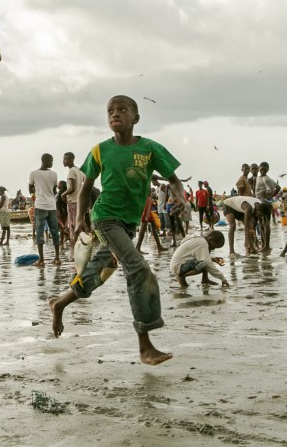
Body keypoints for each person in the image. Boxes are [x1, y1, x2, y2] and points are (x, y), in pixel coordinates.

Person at [48, 95, 188, 365]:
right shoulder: (100, 150)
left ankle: (59, 303)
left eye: (122, 110)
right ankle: (145, 346)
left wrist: (181, 198)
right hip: (105, 217)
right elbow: (87, 187)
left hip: (128, 222)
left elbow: (173, 180)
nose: (115, 114)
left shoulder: (150, 148)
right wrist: (79, 220)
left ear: (135, 118)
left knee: (98, 272)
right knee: (138, 268)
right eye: (110, 111)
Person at [29, 153, 60, 266]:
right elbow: (54, 191)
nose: (52, 163)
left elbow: (30, 189)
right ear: (46, 161)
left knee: (40, 233)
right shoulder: (54, 174)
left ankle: (41, 260)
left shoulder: (33, 173)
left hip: (40, 206)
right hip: (52, 206)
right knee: (54, 232)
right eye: (51, 161)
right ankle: (57, 258)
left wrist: (37, 191)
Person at [61, 152, 85, 250]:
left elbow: (72, 188)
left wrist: (63, 194)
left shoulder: (71, 171)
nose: (63, 161)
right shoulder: (79, 170)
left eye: (65, 159)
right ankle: (81, 246)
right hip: (79, 201)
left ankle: (74, 248)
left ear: (70, 159)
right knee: (79, 224)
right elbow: (83, 184)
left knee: (73, 226)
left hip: (73, 202)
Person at [254, 162, 280, 252]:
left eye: (264, 169)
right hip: (259, 202)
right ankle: (264, 245)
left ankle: (267, 245)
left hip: (265, 203)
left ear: (268, 169)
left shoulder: (266, 179)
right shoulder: (258, 178)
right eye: (261, 169)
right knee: (261, 224)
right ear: (259, 169)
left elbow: (278, 187)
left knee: (266, 223)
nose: (262, 171)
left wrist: (271, 196)